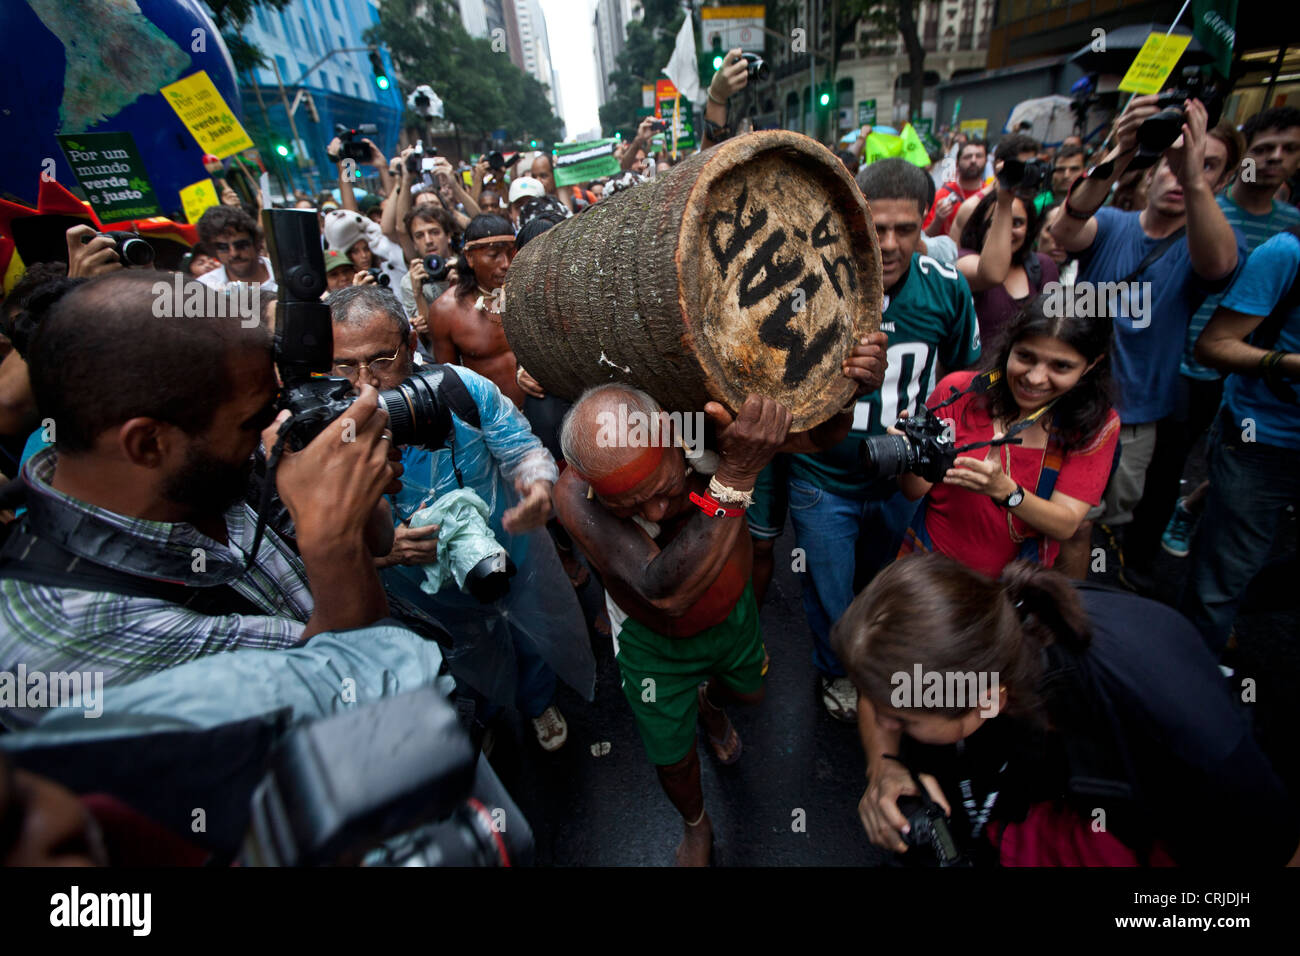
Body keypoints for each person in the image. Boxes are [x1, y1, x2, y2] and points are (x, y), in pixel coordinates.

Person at [0, 273, 400, 726]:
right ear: (149, 443)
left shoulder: (195, 476)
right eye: (256, 418)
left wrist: (354, 491)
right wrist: (332, 539)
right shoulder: (66, 639)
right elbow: (374, 696)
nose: (275, 428)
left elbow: (380, 541)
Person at [834, 553, 1300, 866]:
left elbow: (1276, 849)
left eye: (903, 719)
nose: (880, 720)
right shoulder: (980, 630)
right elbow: (886, 689)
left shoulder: (1181, 734)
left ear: (987, 701)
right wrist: (884, 766)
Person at [327, 285, 592, 750]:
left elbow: (523, 450)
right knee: (461, 656)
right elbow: (316, 546)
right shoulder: (324, 431)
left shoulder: (462, 390)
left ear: (411, 343)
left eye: (381, 359)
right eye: (346, 364)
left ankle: (536, 703)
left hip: (508, 552)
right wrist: (384, 553)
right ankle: (481, 715)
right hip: (423, 593)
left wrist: (536, 486)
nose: (365, 382)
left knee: (526, 631)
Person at [786, 158, 979, 722]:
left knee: (887, 582)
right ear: (853, 222)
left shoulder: (947, 290)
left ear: (926, 224)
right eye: (876, 228)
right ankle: (837, 670)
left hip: (901, 480)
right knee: (829, 591)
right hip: (823, 477)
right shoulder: (809, 287)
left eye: (906, 229)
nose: (890, 244)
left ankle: (881, 661)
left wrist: (931, 443)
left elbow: (966, 381)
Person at [1049, 97, 1244, 591]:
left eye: (1204, 166)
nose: (1179, 175)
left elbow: (1220, 265)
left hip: (1134, 420)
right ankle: (1057, 602)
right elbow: (1065, 228)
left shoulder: (1202, 244)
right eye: (1171, 163)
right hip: (1068, 405)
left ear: (1220, 182)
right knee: (1063, 516)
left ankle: (1090, 605)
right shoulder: (1112, 223)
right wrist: (1120, 148)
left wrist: (1194, 176)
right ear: (1151, 172)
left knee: (1106, 522)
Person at [894, 296, 1120, 580]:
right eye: (1025, 357)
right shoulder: (960, 392)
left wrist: (1006, 492)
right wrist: (911, 452)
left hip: (1015, 588)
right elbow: (914, 490)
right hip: (932, 575)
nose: (1036, 378)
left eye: (1060, 366)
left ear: (1090, 365)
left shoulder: (1095, 425)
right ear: (1009, 347)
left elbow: (1065, 525)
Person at [1161, 108, 1300, 559]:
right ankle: (1154, 537)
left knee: (1220, 460)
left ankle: (1190, 505)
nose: (1275, 158)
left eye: (1289, 149)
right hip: (1185, 360)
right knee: (1171, 458)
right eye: (1263, 149)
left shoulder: (1289, 225)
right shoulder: (1201, 211)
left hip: (1250, 376)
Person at [1181, 226, 1300, 656]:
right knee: (1225, 570)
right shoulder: (1288, 252)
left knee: (1239, 571)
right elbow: (1211, 346)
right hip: (1264, 439)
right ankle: (1198, 664)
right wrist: (1287, 364)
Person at [428, 214, 525, 407]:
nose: (505, 263)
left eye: (510, 253)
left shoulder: (529, 295)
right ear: (470, 258)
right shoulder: (446, 310)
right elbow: (450, 386)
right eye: (493, 255)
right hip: (493, 422)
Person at [957, 187, 1058, 345]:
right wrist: (1003, 202)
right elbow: (991, 274)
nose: (1007, 231)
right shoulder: (963, 260)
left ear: (1029, 229)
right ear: (980, 227)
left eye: (1017, 223)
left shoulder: (1043, 266)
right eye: (997, 222)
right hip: (977, 369)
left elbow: (1051, 327)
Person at [948, 134, 1041, 241]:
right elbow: (956, 254)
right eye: (1021, 167)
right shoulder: (971, 207)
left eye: (1033, 167)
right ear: (1000, 165)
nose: (1028, 173)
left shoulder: (1034, 201)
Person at [397, 204, 458, 344]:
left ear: (448, 236)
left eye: (434, 232)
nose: (428, 241)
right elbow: (431, 336)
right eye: (419, 236)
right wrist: (418, 293)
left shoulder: (465, 267)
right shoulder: (409, 281)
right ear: (414, 243)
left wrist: (463, 286)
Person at [195, 205, 278, 293]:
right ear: (213, 250)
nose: (234, 254)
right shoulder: (205, 289)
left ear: (256, 242)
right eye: (223, 247)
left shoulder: (286, 275)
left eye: (241, 245)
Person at [925, 138, 987, 237]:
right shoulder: (941, 195)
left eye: (979, 156)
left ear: (986, 160)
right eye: (967, 157)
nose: (973, 160)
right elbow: (924, 238)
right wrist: (938, 220)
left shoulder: (991, 194)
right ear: (957, 163)